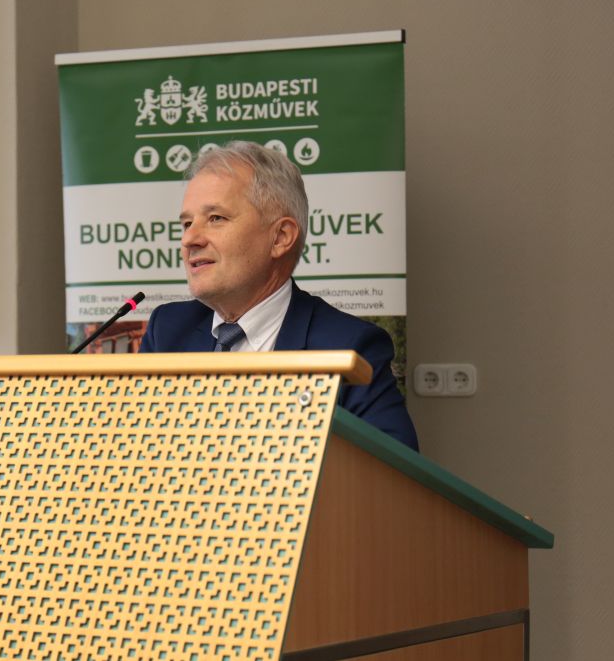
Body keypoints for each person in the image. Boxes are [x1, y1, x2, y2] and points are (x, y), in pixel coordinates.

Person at [139, 141, 419, 450]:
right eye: (187, 223)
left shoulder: (349, 346)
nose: (189, 238)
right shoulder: (168, 329)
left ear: (280, 237)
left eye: (216, 218)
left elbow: (392, 471)